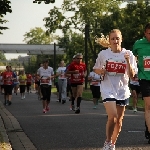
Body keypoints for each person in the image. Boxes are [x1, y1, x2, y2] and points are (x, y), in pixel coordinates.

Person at [93, 29, 137, 150]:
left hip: (122, 90)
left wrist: (127, 61)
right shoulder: (104, 54)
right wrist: (101, 71)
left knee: (119, 121)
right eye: (112, 38)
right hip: (107, 88)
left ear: (121, 39)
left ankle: (112, 144)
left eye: (117, 38)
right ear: (109, 40)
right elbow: (95, 68)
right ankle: (107, 141)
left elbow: (132, 75)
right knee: (112, 116)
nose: (115, 41)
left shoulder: (128, 54)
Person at [132, 22, 150, 143]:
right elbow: (132, 59)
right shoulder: (138, 44)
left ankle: (148, 129)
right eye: (149, 34)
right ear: (145, 33)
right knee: (148, 106)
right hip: (144, 79)